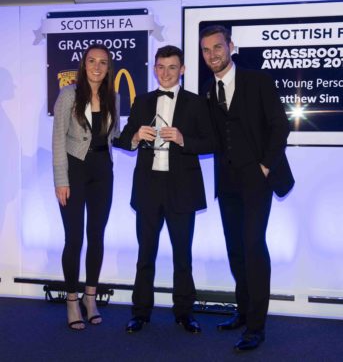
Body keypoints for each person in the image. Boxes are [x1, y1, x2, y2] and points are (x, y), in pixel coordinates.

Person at [200, 25, 294, 351]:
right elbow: (213, 138)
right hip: (227, 184)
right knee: (236, 250)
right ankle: (242, 312)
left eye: (217, 47)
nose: (212, 54)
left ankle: (257, 326)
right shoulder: (207, 91)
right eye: (206, 50)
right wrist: (183, 140)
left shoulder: (258, 81)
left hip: (257, 180)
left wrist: (265, 165)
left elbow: (279, 125)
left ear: (230, 46)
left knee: (254, 247)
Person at [114, 45, 214, 334]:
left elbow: (211, 142)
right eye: (160, 66)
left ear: (182, 70)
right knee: (145, 253)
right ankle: (140, 313)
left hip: (182, 188)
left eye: (172, 67)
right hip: (148, 187)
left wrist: (184, 139)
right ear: (154, 68)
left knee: (183, 255)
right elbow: (121, 139)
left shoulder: (197, 103)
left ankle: (185, 313)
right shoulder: (142, 101)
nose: (166, 72)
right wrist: (134, 137)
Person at [52, 44, 120, 330]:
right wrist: (61, 180)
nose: (96, 67)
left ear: (107, 68)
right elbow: (57, 139)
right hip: (75, 170)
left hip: (103, 171)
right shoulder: (68, 95)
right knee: (74, 238)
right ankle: (71, 300)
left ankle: (90, 297)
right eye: (91, 61)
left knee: (96, 236)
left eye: (102, 62)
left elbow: (113, 134)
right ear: (83, 64)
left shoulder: (113, 97)